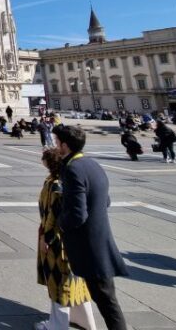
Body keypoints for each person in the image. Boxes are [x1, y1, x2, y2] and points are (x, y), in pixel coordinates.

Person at [54, 125, 128, 330]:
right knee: (106, 298)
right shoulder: (92, 164)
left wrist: (60, 223)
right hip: (99, 240)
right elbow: (106, 201)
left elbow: (78, 215)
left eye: (57, 142)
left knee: (106, 301)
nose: (55, 146)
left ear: (65, 145)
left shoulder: (73, 169)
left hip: (89, 246)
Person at [35, 148, 97, 330]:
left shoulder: (55, 185)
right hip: (73, 241)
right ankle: (85, 321)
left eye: (44, 158)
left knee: (59, 283)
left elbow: (53, 216)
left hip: (58, 243)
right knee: (76, 281)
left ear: (49, 162)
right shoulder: (63, 181)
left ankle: (57, 325)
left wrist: (46, 238)